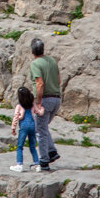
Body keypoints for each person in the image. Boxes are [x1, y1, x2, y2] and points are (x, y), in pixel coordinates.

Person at [29, 38, 61, 167]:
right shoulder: (52, 61)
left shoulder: (35, 64)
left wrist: (38, 102)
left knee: (40, 131)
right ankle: (52, 151)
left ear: (32, 51)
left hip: (45, 99)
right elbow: (58, 80)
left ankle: (44, 161)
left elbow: (39, 83)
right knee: (42, 126)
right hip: (56, 99)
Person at [10, 86, 42, 172]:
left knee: (20, 146)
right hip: (32, 127)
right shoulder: (32, 105)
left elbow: (16, 117)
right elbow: (39, 113)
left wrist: (13, 128)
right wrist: (42, 109)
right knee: (32, 146)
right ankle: (37, 164)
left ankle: (19, 165)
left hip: (23, 127)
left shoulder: (19, 106)